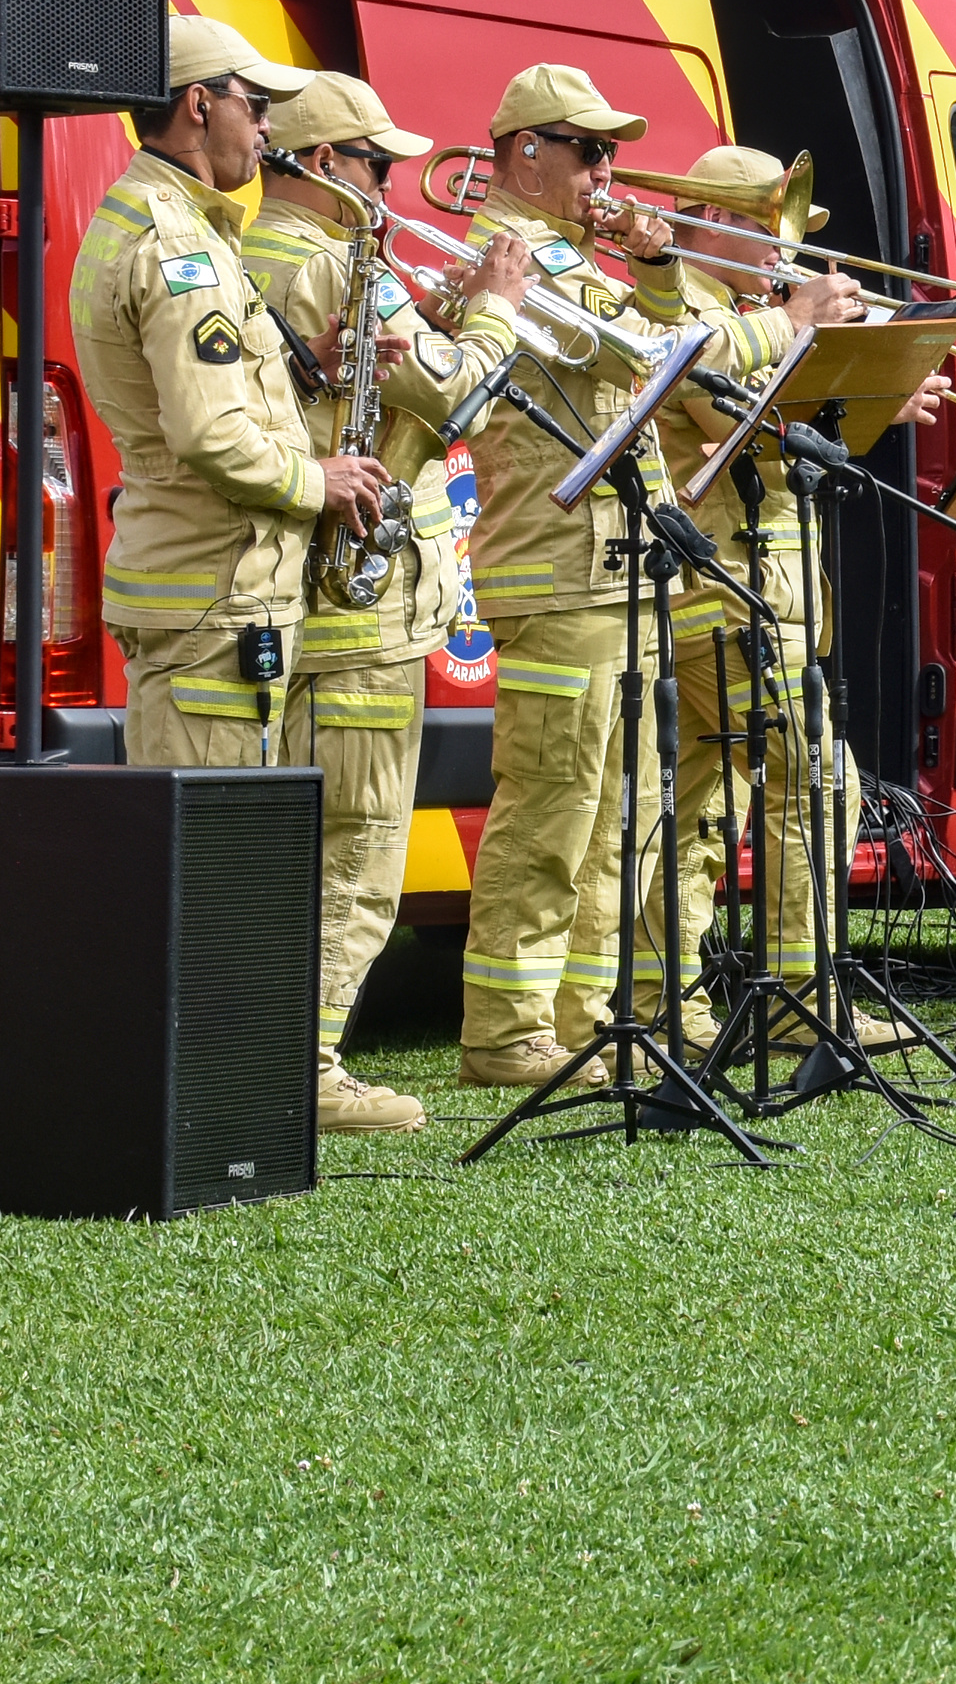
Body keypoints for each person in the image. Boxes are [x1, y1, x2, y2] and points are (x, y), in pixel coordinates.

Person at [239, 71, 531, 1135]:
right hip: (358, 605)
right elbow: (455, 393)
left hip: (292, 594)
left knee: (287, 841)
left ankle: (268, 1050)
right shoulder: (336, 268)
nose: (393, 183)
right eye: (376, 164)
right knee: (360, 843)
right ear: (321, 165)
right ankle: (307, 1065)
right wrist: (495, 305)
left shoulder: (264, 254)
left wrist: (441, 315)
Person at [449, 63, 701, 1088]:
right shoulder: (509, 255)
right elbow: (630, 355)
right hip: (556, 570)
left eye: (611, 153)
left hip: (616, 567)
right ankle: (508, 1031)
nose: (608, 171)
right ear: (526, 152)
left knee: (619, 817)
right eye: (589, 150)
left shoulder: (567, 254)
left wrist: (658, 263)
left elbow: (652, 346)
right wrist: (649, 278)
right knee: (553, 809)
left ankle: (585, 1019)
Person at [645, 148, 931, 1016]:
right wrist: (804, 333)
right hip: (721, 592)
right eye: (776, 233)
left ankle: (668, 1002)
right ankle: (803, 997)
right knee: (820, 779)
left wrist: (872, 392)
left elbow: (778, 439)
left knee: (692, 819)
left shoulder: (741, 313)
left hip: (753, 594)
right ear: (726, 223)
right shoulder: (688, 310)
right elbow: (730, 422)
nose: (786, 256)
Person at [70, 16, 387, 780]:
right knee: (213, 875)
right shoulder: (182, 245)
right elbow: (210, 431)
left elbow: (180, 381)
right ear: (201, 105)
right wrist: (322, 480)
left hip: (196, 596)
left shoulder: (147, 216)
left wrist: (300, 360)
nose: (269, 128)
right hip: (215, 600)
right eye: (257, 104)